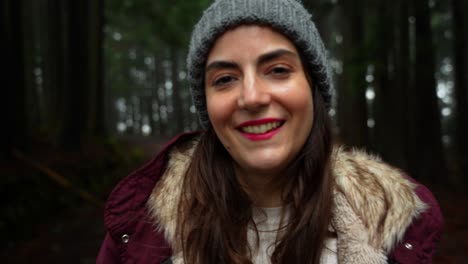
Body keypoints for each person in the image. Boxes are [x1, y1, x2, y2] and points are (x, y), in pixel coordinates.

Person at [97, 0, 443, 263]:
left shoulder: (396, 224)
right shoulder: (141, 227)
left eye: (277, 70)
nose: (252, 97)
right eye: (225, 79)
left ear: (313, 88)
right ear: (207, 105)